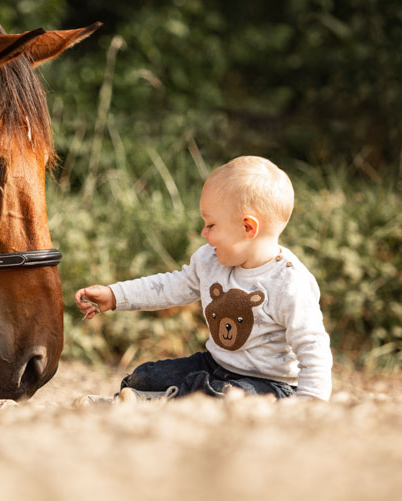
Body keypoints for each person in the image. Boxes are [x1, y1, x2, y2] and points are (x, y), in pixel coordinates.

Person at [74, 156, 332, 401]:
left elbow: (311, 343)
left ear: (247, 228)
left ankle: (153, 402)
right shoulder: (209, 260)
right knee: (144, 376)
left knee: (227, 396)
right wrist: (115, 295)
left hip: (267, 384)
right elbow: (167, 287)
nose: (203, 233)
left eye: (211, 225)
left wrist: (310, 402)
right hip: (214, 365)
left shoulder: (289, 282)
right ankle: (145, 397)